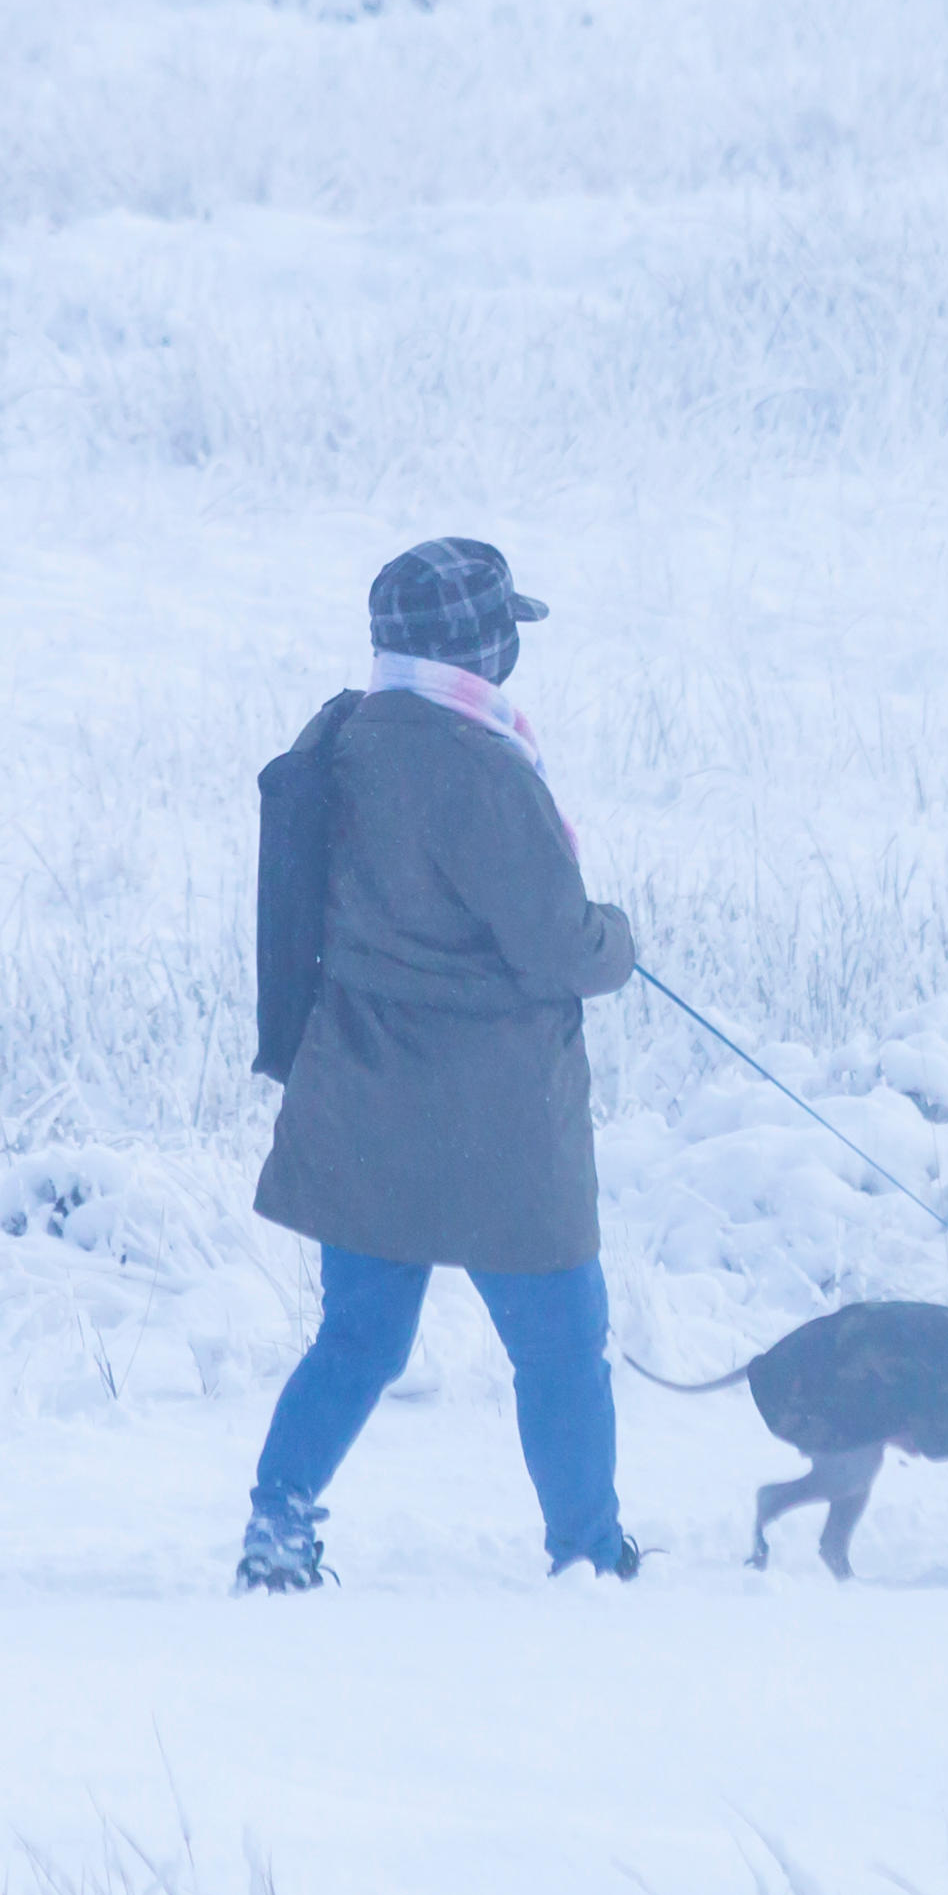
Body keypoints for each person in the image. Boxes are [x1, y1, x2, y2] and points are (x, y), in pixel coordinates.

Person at [237, 536, 644, 1590]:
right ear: (487, 646)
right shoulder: (481, 766)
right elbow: (560, 946)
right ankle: (589, 1559)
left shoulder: (347, 739)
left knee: (359, 1339)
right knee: (560, 1351)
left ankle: (275, 1532)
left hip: (361, 1102)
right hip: (498, 1121)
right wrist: (621, 940)